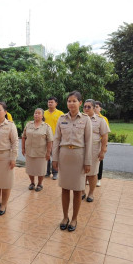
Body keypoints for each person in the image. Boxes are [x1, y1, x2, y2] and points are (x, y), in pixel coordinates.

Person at [52, 91, 92, 232]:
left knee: (77, 190)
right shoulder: (62, 118)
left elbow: (88, 141)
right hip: (64, 156)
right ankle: (65, 217)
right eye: (69, 101)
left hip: (79, 156)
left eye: (74, 101)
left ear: (80, 103)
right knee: (64, 188)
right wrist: (55, 158)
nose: (71, 103)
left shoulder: (86, 119)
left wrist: (87, 161)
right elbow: (57, 139)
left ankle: (74, 218)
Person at [0, 102, 18, 215]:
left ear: (5, 112)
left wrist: (13, 158)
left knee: (6, 183)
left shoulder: (10, 125)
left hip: (5, 157)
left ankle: (4, 204)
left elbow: (15, 142)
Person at [82, 99, 110, 202]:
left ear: (94, 108)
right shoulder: (79, 118)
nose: (86, 109)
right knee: (82, 173)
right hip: (80, 151)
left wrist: (103, 150)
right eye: (85, 106)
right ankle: (82, 192)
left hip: (94, 151)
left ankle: (91, 193)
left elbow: (105, 136)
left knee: (92, 174)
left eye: (89, 107)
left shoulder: (100, 120)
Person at [22, 108, 53, 192]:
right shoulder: (28, 124)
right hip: (29, 151)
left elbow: (50, 140)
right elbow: (24, 136)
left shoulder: (46, 127)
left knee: (41, 170)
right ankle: (32, 183)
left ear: (42, 116)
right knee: (30, 169)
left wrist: (48, 152)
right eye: (35, 113)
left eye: (38, 113)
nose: (36, 115)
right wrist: (23, 148)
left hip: (41, 152)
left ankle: (39, 184)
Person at [44, 96, 64, 180]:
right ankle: (47, 172)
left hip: (56, 138)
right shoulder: (44, 113)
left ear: (56, 103)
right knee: (46, 155)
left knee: (55, 156)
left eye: (52, 102)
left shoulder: (60, 114)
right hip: (45, 138)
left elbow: (63, 126)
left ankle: (55, 173)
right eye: (49, 102)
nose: (50, 103)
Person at [94, 101, 109, 187]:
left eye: (97, 107)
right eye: (94, 106)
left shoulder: (103, 119)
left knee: (99, 161)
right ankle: (89, 178)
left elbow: (105, 134)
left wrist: (104, 147)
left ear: (100, 108)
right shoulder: (88, 117)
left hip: (99, 143)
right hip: (90, 143)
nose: (95, 108)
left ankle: (98, 179)